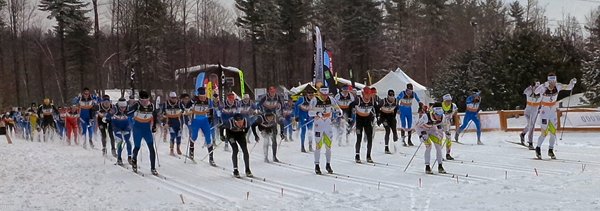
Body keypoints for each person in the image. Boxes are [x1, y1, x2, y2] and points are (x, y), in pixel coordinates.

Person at [533, 73, 576, 159]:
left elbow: (569, 87)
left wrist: (572, 83)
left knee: (553, 132)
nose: (552, 83)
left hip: (552, 110)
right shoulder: (544, 87)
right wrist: (541, 86)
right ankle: (538, 148)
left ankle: (550, 150)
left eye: (554, 81)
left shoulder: (558, 86)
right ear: (548, 81)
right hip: (544, 111)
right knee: (544, 132)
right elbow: (535, 92)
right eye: (551, 81)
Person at [309, 87, 339, 174]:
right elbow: (310, 112)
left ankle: (328, 164)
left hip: (328, 125)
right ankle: (317, 165)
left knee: (328, 146)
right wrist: (317, 113)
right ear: (320, 94)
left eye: (326, 95)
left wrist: (339, 111)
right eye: (323, 95)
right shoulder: (314, 100)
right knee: (318, 146)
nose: (325, 97)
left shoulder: (331, 99)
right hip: (319, 125)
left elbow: (336, 107)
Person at [129, 90, 159, 175]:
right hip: (137, 129)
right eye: (143, 100)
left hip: (146, 129)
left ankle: (153, 168)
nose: (145, 102)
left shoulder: (151, 106)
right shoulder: (137, 105)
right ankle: (134, 161)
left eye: (147, 100)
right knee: (137, 147)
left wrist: (154, 126)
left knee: (151, 148)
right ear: (140, 100)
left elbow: (155, 115)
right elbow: (128, 113)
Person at [415, 102, 446, 174]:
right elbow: (417, 126)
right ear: (433, 112)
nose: (439, 117)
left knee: (438, 146)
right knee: (428, 146)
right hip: (423, 130)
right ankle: (427, 166)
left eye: (441, 114)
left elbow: (441, 126)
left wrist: (442, 133)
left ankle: (440, 166)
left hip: (432, 130)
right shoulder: (426, 117)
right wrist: (420, 135)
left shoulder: (442, 117)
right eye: (437, 114)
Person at [189, 87, 216, 166]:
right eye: (201, 97)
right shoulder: (194, 101)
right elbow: (188, 108)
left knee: (208, 138)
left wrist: (210, 119)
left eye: (204, 97)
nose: (203, 98)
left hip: (204, 121)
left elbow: (211, 111)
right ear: (198, 96)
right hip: (196, 120)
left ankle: (211, 158)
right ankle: (191, 150)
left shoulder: (208, 101)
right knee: (194, 136)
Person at [350, 88, 377, 163]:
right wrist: (350, 115)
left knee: (370, 138)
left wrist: (377, 116)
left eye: (369, 94)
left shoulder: (372, 100)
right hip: (359, 120)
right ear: (363, 94)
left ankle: (368, 156)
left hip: (367, 120)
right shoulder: (358, 100)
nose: (368, 96)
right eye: (366, 94)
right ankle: (357, 155)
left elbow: (376, 108)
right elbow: (350, 105)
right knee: (359, 138)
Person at [225, 113, 253, 178]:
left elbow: (248, 127)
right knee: (235, 150)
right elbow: (222, 128)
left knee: (245, 151)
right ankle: (235, 170)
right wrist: (222, 136)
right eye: (238, 122)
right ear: (235, 121)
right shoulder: (229, 122)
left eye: (241, 122)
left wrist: (244, 132)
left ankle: (247, 169)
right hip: (231, 135)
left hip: (240, 135)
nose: (240, 124)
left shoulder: (246, 122)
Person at [520, 81, 542, 149]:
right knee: (530, 125)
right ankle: (526, 138)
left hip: (535, 111)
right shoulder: (529, 90)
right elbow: (524, 91)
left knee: (531, 125)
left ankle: (527, 138)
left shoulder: (541, 92)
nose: (536, 89)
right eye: (535, 87)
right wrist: (530, 87)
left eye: (538, 87)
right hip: (528, 110)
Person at [112, 98, 133, 166]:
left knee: (128, 140)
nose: (123, 109)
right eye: (121, 107)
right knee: (120, 141)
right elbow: (109, 114)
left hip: (126, 127)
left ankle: (130, 157)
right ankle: (119, 158)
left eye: (124, 107)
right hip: (116, 127)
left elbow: (134, 113)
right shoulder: (114, 109)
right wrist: (106, 118)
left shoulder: (129, 108)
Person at [294, 88, 315, 152]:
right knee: (303, 131)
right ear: (306, 95)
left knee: (310, 131)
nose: (311, 96)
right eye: (309, 95)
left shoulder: (314, 100)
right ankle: (302, 146)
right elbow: (296, 106)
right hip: (302, 116)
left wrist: (315, 115)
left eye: (312, 95)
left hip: (310, 117)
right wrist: (296, 115)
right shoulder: (302, 99)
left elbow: (316, 108)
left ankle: (310, 146)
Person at [441, 94, 459, 160]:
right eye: (447, 101)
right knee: (439, 138)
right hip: (439, 123)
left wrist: (457, 126)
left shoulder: (453, 106)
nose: (449, 102)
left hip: (447, 123)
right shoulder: (440, 106)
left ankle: (448, 154)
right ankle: (439, 155)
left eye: (450, 101)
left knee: (448, 138)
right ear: (444, 101)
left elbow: (455, 116)